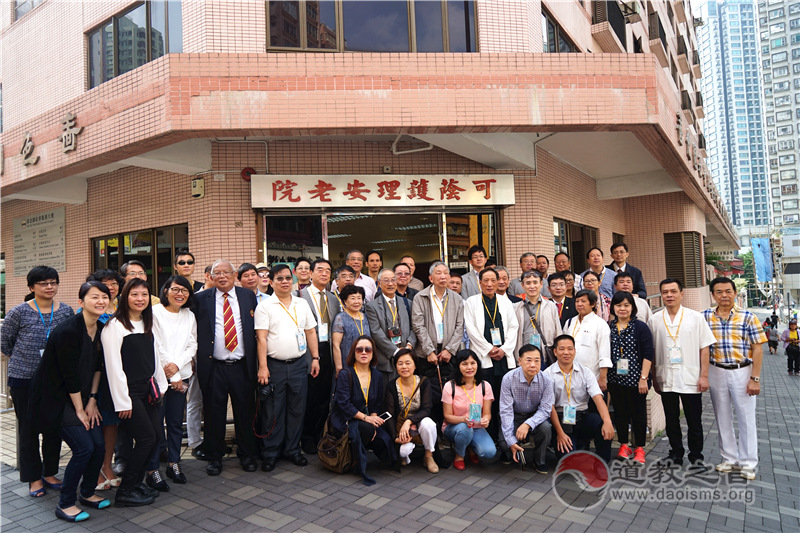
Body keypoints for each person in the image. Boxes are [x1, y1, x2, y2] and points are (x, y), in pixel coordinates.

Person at [29, 281, 111, 522]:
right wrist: (80, 409)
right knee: (84, 447)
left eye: (104, 297)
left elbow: (98, 367)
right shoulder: (68, 331)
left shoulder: (101, 328)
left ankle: (87, 493)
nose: (100, 301)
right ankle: (65, 503)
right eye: (94, 297)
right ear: (81, 302)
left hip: (84, 398)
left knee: (99, 446)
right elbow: (69, 375)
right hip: (58, 399)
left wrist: (92, 401)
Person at [1, 266, 74, 498]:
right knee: (29, 429)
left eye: (53, 282)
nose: (49, 287)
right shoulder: (18, 312)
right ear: (32, 287)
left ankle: (50, 472)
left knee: (54, 428)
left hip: (55, 380)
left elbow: (70, 341)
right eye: (43, 283)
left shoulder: (65, 311)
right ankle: (33, 477)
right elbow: (5, 343)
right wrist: (24, 360)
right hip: (24, 380)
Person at [101, 278, 167, 507]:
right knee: (147, 438)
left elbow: (156, 356)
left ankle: (137, 482)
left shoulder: (149, 322)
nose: (140, 299)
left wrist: (161, 386)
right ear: (124, 297)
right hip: (128, 394)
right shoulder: (115, 325)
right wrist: (123, 402)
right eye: (134, 294)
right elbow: (113, 367)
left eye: (144, 295)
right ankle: (126, 490)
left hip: (147, 390)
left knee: (156, 436)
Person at [194, 260, 260, 476]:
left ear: (234, 276)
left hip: (242, 366)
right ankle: (214, 456)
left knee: (245, 412)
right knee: (214, 414)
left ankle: (247, 454)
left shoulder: (248, 296)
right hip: (215, 366)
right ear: (211, 277)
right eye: (217, 273)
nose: (222, 276)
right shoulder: (201, 299)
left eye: (226, 272)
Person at [256, 264, 320, 472]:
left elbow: (310, 332)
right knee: (273, 411)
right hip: (274, 366)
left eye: (287, 278)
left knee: (296, 409)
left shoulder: (301, 304)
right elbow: (261, 339)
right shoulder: (265, 306)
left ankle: (293, 449)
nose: (284, 282)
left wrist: (315, 358)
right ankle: (271, 452)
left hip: (299, 364)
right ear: (272, 282)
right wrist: (263, 367)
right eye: (279, 278)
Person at [703, 277, 767, 480]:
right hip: (716, 370)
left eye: (728, 291)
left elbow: (758, 348)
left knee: (746, 417)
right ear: (713, 295)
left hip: (742, 371)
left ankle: (748, 462)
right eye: (719, 292)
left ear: (734, 293)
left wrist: (754, 378)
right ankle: (729, 459)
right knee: (722, 416)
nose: (724, 295)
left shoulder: (748, 316)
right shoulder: (704, 317)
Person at [648, 278, 715, 466]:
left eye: (673, 291)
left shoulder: (695, 317)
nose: (669, 295)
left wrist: (704, 376)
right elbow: (651, 351)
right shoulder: (654, 319)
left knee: (694, 420)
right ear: (661, 295)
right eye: (665, 292)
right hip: (666, 377)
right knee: (671, 420)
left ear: (681, 294)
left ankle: (696, 456)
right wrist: (654, 377)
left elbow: (705, 347)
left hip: (691, 378)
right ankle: (676, 454)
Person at [146, 276, 197, 489]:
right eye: (175, 289)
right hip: (159, 379)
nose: (180, 294)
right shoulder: (155, 313)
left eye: (184, 291)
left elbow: (192, 345)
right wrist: (172, 375)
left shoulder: (189, 315)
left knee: (175, 423)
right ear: (165, 290)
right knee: (155, 426)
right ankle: (153, 469)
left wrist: (177, 367)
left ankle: (174, 463)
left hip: (181, 376)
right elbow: (156, 345)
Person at [329, 336, 395, 485]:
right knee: (367, 429)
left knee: (383, 437)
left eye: (368, 349)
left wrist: (373, 420)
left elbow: (376, 403)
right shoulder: (346, 374)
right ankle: (353, 459)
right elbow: (343, 404)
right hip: (346, 419)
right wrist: (367, 419)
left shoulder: (377, 376)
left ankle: (362, 452)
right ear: (354, 353)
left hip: (366, 418)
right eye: (359, 349)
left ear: (373, 354)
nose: (364, 352)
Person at [463, 268, 519, 443]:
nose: (489, 284)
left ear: (498, 282)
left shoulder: (505, 302)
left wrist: (504, 349)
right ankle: (491, 437)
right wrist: (489, 349)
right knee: (487, 400)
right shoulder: (471, 302)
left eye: (492, 281)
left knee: (506, 400)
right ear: (479, 283)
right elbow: (470, 329)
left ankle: (507, 439)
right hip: (484, 358)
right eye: (485, 281)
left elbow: (513, 326)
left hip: (504, 358)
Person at [411, 261, 465, 436]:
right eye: (438, 273)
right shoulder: (421, 297)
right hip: (427, 355)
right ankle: (432, 433)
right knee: (430, 395)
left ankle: (448, 431)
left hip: (449, 353)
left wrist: (450, 349)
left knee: (450, 393)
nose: (443, 276)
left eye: (446, 273)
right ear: (430, 278)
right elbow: (418, 325)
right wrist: (429, 351)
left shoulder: (456, 298)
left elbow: (459, 326)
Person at [545, 335, 614, 462]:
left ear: (575, 351)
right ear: (555, 352)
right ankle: (576, 445)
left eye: (570, 349)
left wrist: (608, 422)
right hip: (561, 421)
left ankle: (602, 461)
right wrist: (560, 434)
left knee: (601, 423)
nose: (566, 352)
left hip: (582, 417)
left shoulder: (585, 372)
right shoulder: (547, 375)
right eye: (561, 349)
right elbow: (550, 407)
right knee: (569, 460)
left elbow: (598, 398)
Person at [85, 270, 124, 488]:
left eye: (114, 283)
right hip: (93, 376)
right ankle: (95, 468)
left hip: (117, 375)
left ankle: (107, 466)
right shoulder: (90, 311)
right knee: (95, 422)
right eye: (103, 284)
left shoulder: (123, 310)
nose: (110, 287)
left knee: (111, 422)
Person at [300, 258, 342, 453]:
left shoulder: (333, 299)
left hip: (328, 353)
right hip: (308, 353)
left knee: (325, 397)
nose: (324, 273)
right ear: (310, 273)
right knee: (309, 397)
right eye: (320, 270)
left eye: (328, 270)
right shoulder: (299, 296)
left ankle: (319, 434)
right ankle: (306, 437)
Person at [607, 291, 654, 464]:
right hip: (615, 379)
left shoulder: (640, 327)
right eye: (619, 305)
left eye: (626, 305)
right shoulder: (609, 326)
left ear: (633, 307)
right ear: (613, 307)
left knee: (639, 414)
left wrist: (644, 378)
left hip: (636, 380)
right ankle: (624, 445)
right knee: (620, 413)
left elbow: (648, 353)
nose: (622, 309)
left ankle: (639, 448)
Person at [499, 345, 553, 474]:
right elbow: (506, 411)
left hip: (534, 416)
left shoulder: (547, 380)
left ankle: (539, 460)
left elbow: (545, 409)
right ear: (520, 361)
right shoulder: (508, 378)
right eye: (529, 360)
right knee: (503, 441)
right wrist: (511, 441)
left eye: (537, 360)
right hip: (514, 415)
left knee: (546, 428)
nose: (533, 365)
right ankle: (508, 451)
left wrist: (528, 424)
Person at [384, 349, 438, 473]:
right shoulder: (391, 386)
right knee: (403, 451)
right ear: (395, 366)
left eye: (408, 363)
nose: (404, 367)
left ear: (415, 365)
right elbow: (390, 414)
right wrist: (395, 438)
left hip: (418, 420)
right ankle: (405, 456)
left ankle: (429, 456)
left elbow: (426, 409)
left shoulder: (424, 382)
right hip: (401, 426)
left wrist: (409, 421)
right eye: (400, 363)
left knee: (429, 424)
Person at [442, 349, 497, 470]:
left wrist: (485, 420)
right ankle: (459, 455)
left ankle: (470, 446)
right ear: (458, 366)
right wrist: (463, 419)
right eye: (464, 364)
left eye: (473, 363)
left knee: (489, 452)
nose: (469, 367)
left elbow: (487, 414)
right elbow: (447, 416)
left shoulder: (484, 386)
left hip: (477, 427)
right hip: (455, 427)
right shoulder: (450, 386)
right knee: (465, 428)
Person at [366, 268, 416, 384]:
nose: (390, 284)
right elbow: (376, 332)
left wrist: (409, 346)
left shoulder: (407, 303)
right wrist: (396, 352)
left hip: (407, 357)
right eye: (386, 280)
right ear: (379, 283)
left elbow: (415, 327)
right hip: (386, 359)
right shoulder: (372, 306)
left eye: (393, 280)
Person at [563, 290, 611, 391]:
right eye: (577, 301)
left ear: (593, 304)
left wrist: (602, 378)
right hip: (570, 376)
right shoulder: (569, 322)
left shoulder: (600, 324)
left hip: (593, 377)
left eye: (583, 301)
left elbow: (605, 354)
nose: (579, 304)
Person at [514, 271, 561, 368]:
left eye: (535, 282)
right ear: (522, 285)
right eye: (528, 283)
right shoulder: (515, 308)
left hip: (544, 354)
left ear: (541, 284)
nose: (532, 286)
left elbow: (558, 332)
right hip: (523, 354)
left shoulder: (550, 306)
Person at [332, 284, 370, 377]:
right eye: (352, 298)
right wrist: (339, 367)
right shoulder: (340, 318)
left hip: (365, 362)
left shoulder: (365, 317)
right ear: (345, 301)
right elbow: (336, 345)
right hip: (347, 363)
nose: (356, 301)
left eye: (359, 298)